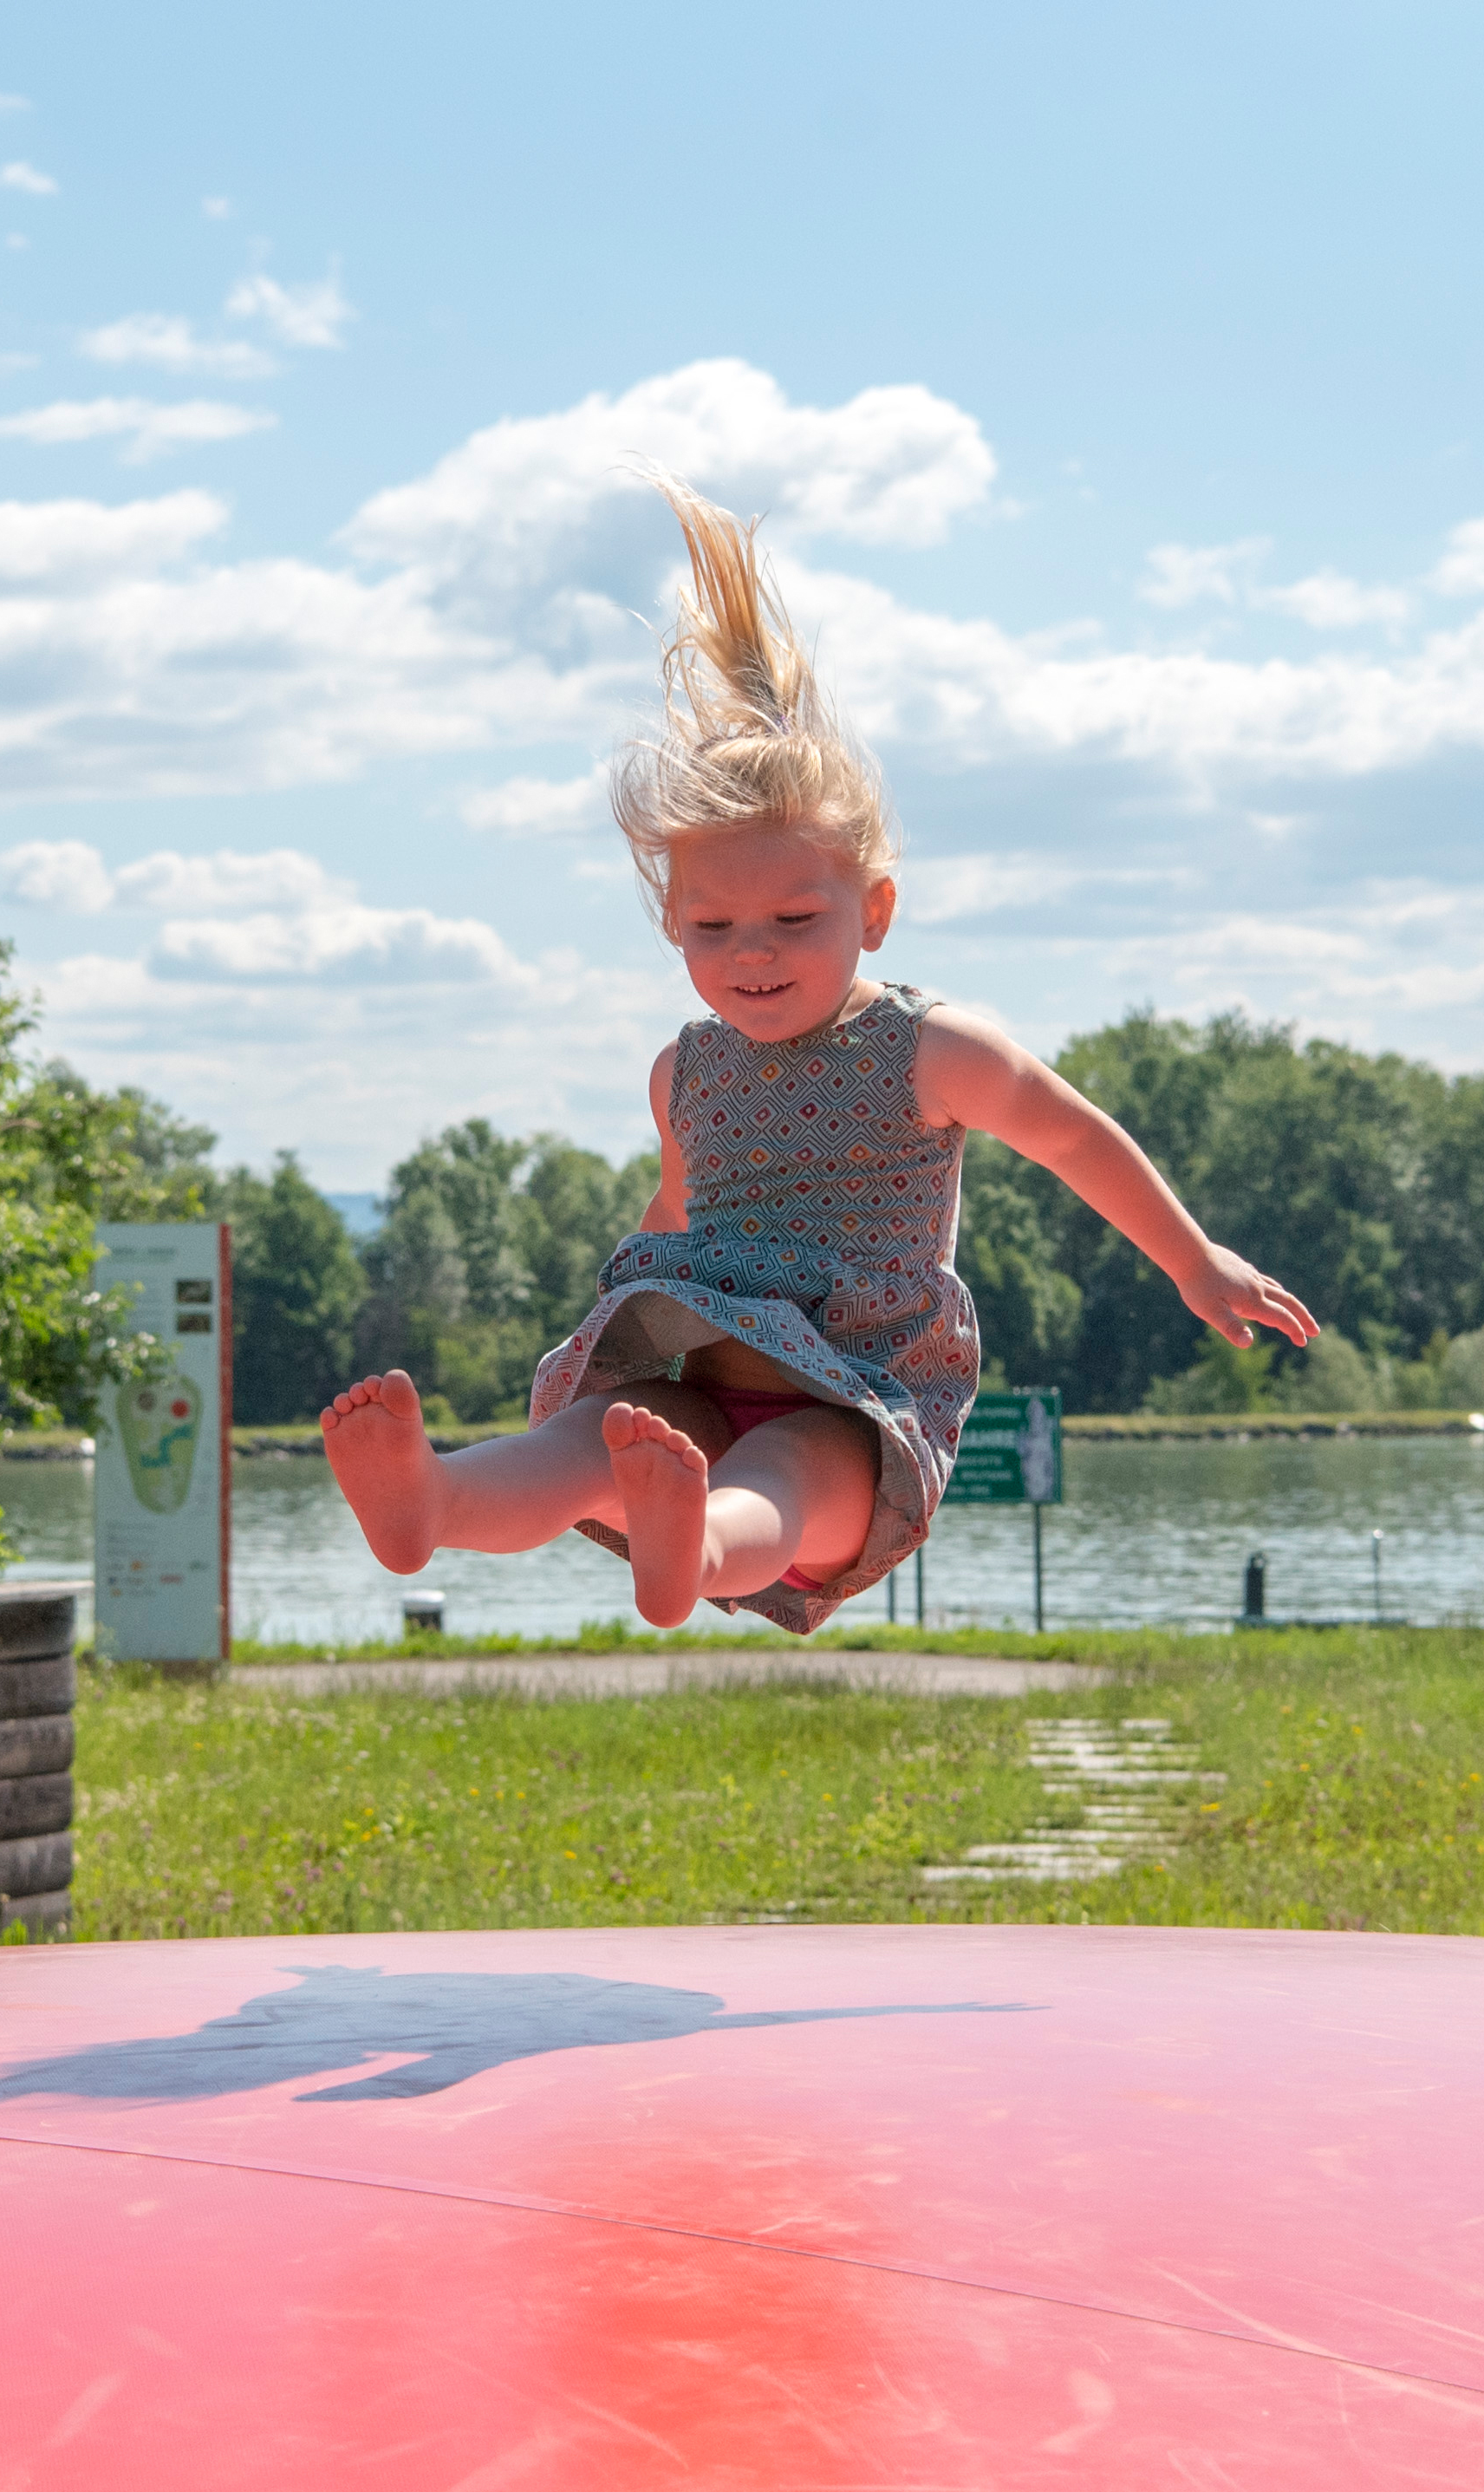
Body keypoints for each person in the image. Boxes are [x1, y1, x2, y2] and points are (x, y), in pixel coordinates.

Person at [321, 479, 1314, 1631]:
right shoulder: (685, 1072)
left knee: (785, 1480)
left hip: (860, 1395)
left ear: (873, 911)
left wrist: (1192, 1261)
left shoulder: (928, 1051)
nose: (753, 957)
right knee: (587, 1440)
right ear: (672, 927)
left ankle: (684, 1553)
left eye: (795, 921)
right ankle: (432, 1500)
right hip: (697, 1381)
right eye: (713, 929)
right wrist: (630, 1315)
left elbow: (1070, 1136)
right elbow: (676, 1217)